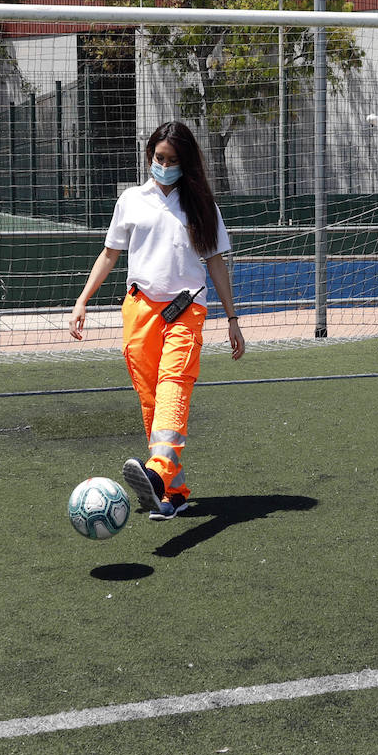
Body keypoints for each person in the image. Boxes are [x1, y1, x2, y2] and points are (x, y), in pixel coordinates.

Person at [68, 121, 245, 521]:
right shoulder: (131, 200)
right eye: (157, 158)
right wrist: (82, 301)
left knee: (173, 387)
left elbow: (216, 263)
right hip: (140, 309)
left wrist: (233, 318)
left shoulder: (202, 206)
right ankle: (174, 492)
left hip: (187, 309)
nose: (162, 165)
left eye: (171, 160)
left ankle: (158, 474)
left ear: (186, 163)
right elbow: (109, 254)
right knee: (151, 400)